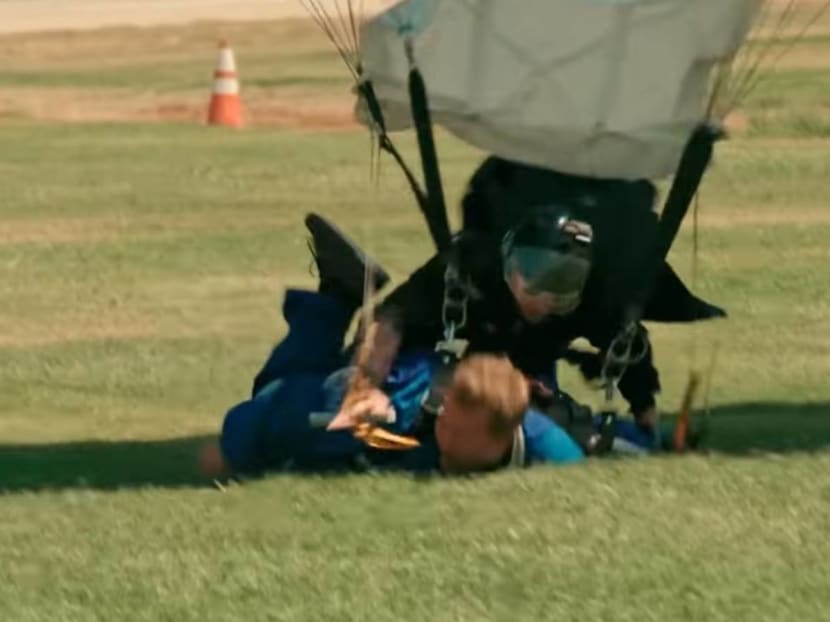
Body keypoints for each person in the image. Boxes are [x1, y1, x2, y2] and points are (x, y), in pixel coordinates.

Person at [200, 214, 597, 481]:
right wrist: (365, 384)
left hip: (471, 389)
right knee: (291, 393)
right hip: (398, 374)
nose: (547, 291)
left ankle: (335, 297)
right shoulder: (462, 275)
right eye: (537, 270)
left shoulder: (544, 437)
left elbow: (604, 445)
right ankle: (337, 298)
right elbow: (387, 321)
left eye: (563, 277)